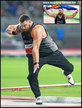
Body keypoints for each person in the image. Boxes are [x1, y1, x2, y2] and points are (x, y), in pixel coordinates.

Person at [6, 14, 74, 104]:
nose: (23, 28)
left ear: (30, 22)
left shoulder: (37, 29)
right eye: (21, 26)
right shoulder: (21, 27)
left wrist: (36, 63)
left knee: (70, 68)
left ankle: (66, 73)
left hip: (51, 53)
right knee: (32, 76)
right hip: (33, 55)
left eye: (25, 26)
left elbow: (36, 47)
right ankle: (38, 97)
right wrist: (15, 32)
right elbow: (9, 29)